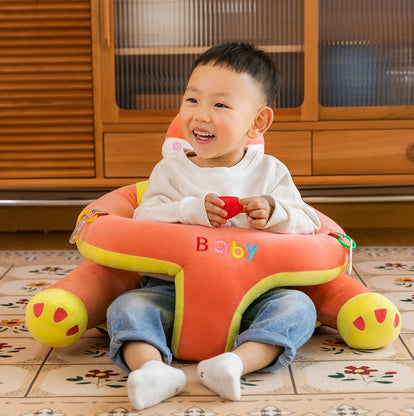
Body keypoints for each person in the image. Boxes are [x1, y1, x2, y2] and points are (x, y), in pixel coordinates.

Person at [106, 42, 320, 410]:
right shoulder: (171, 170)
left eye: (220, 105)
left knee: (298, 307)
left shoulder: (270, 172)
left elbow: (309, 224)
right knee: (126, 307)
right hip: (174, 292)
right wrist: (188, 210)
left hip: (255, 293)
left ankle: (234, 364)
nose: (201, 115)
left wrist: (274, 212)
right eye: (192, 100)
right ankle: (153, 371)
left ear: (258, 121)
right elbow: (143, 219)